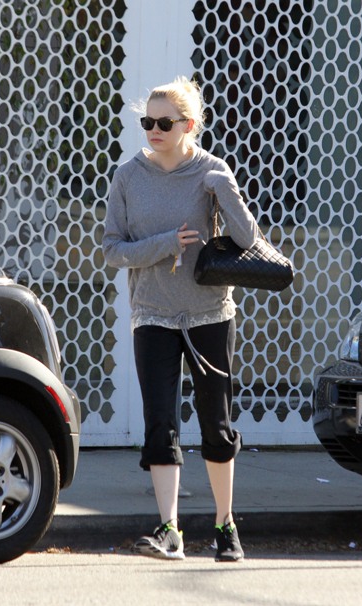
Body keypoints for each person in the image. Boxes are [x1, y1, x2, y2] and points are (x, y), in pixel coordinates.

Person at [102, 76, 258, 562]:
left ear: (188, 125)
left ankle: (225, 525)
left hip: (210, 313)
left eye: (164, 123)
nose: (153, 129)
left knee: (216, 423)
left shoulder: (212, 171)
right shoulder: (128, 177)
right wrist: (166, 243)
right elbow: (112, 250)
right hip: (152, 314)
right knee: (160, 424)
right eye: (147, 121)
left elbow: (248, 239)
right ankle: (169, 530)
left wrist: (224, 190)